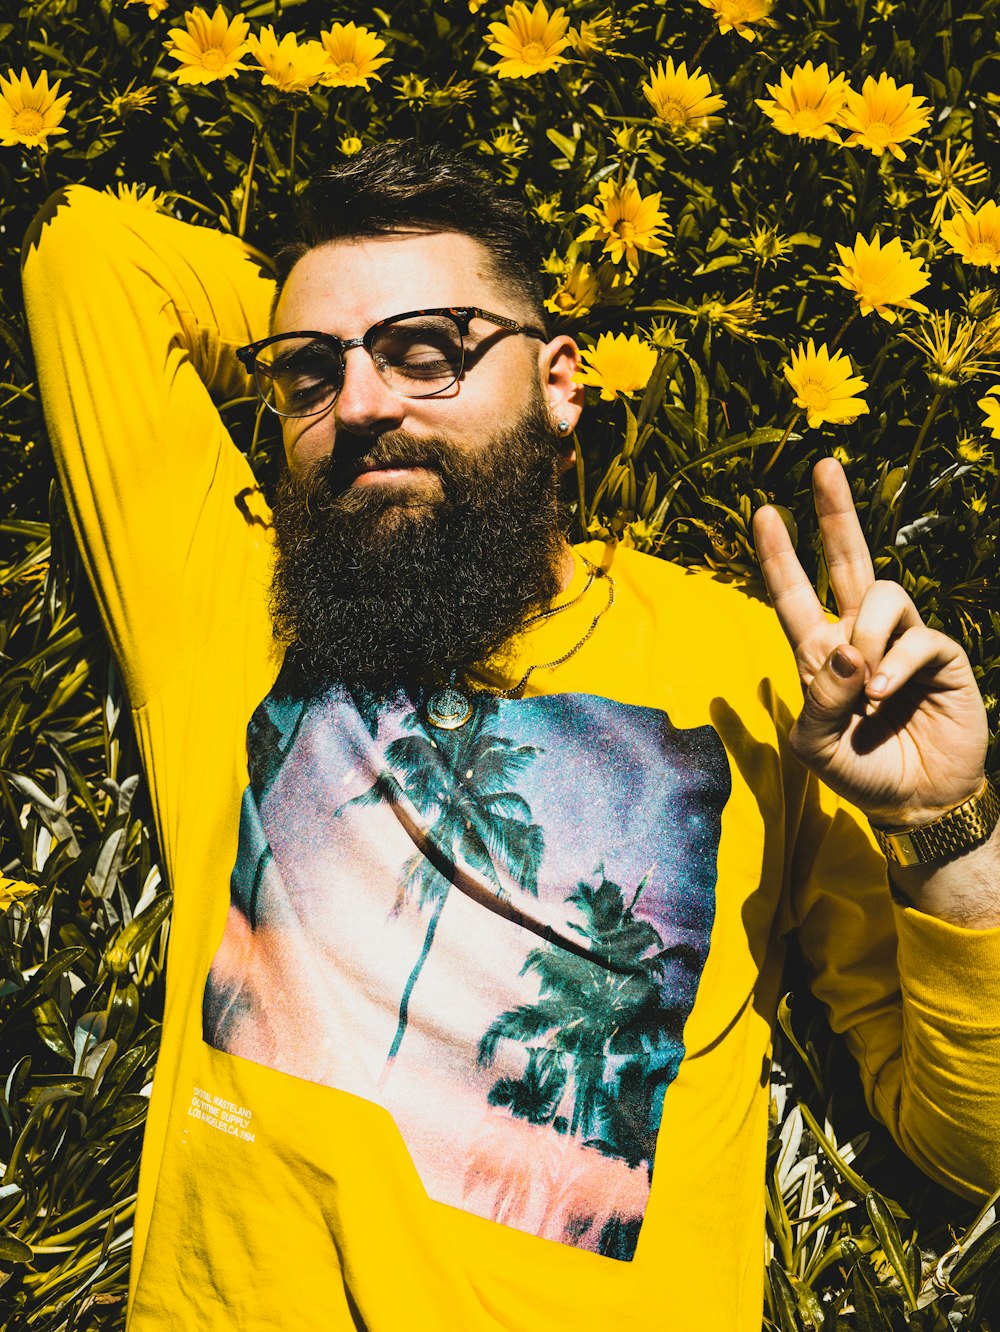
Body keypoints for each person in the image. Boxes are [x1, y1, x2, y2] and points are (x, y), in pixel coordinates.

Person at [21, 140, 1000, 1331]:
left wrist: (939, 830)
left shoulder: (748, 674)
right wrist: (331, 326)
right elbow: (89, 255)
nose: (364, 404)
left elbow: (970, 1154)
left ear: (560, 381)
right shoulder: (229, 612)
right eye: (308, 377)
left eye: (427, 353)